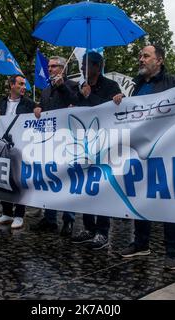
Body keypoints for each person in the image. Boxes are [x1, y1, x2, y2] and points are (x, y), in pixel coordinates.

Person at [113, 45, 175, 270]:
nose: (141, 60)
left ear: (160, 60)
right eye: (140, 56)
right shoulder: (138, 87)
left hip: (167, 150)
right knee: (141, 197)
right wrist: (120, 101)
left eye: (146, 56)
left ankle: (173, 250)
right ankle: (141, 243)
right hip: (141, 152)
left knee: (168, 200)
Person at [70, 51, 122, 250]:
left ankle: (102, 231)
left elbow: (110, 109)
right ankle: (88, 227)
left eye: (85, 64)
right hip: (83, 145)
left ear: (97, 67)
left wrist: (91, 96)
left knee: (101, 187)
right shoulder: (81, 86)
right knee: (86, 187)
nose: (82, 68)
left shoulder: (111, 86)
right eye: (81, 64)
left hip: (104, 145)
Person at [30, 56, 78, 236]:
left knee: (67, 180)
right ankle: (50, 219)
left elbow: (75, 102)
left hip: (66, 141)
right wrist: (37, 109)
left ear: (63, 68)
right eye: (49, 67)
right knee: (50, 179)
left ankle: (69, 220)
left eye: (53, 66)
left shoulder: (72, 85)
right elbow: (42, 108)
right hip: (48, 142)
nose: (49, 69)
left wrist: (61, 86)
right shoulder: (45, 90)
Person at [0, 75, 36, 229]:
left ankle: (19, 215)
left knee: (18, 179)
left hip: (20, 148)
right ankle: (7, 212)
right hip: (3, 147)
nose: (24, 87)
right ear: (11, 85)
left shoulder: (29, 104)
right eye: (21, 84)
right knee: (4, 179)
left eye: (25, 84)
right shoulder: (1, 103)